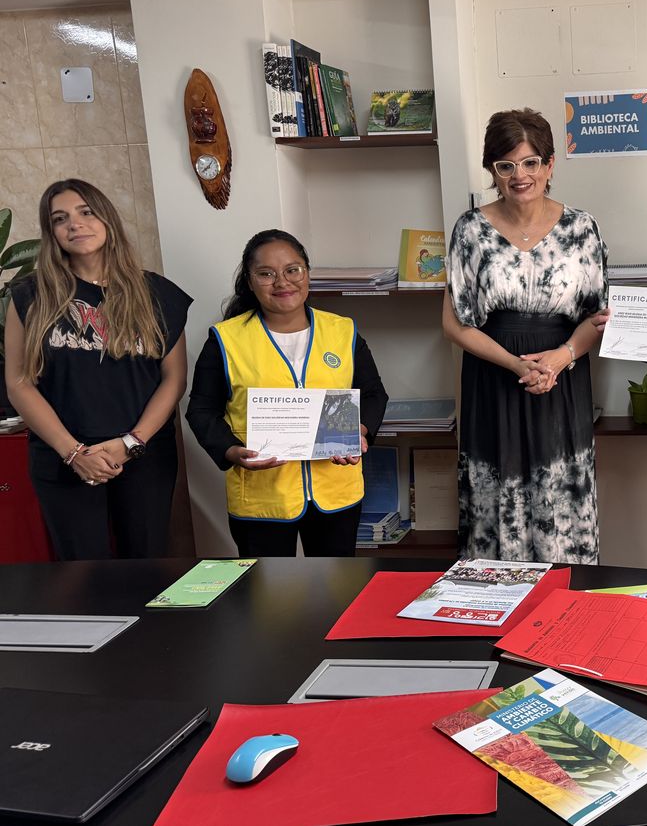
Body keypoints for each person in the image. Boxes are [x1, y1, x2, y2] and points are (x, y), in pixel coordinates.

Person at [444, 107, 607, 564]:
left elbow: (596, 317)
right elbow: (454, 323)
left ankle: (564, 622)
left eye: (531, 162)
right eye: (506, 165)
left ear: (550, 165)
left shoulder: (582, 228)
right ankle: (495, 618)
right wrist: (518, 365)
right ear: (492, 171)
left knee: (560, 499)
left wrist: (560, 358)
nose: (520, 175)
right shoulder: (470, 230)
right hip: (494, 378)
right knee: (494, 504)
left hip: (562, 380)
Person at [3, 178, 191, 559]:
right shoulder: (29, 295)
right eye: (60, 218)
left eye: (86, 212)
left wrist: (130, 444)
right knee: (83, 576)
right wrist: (74, 454)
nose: (75, 224)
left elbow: (174, 380)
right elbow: (20, 382)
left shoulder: (156, 293)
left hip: (143, 459)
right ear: (51, 232)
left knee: (147, 570)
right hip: (63, 459)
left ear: (107, 219)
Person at [186, 230, 387, 557]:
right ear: (250, 282)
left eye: (293, 270)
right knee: (267, 598)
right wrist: (231, 452)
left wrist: (360, 432)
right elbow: (201, 409)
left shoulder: (342, 331)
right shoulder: (226, 340)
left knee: (336, 593)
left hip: (336, 489)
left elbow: (374, 394)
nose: (282, 282)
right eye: (266, 274)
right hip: (262, 496)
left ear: (307, 273)